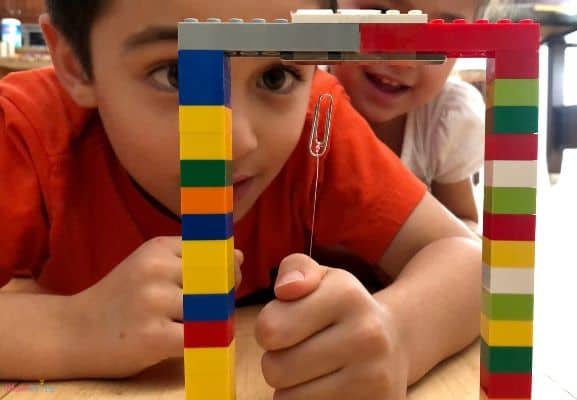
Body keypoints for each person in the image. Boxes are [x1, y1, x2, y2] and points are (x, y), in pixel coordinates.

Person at [0, 1, 480, 399]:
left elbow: (470, 262)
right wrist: (76, 329)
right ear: (74, 63)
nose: (235, 139)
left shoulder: (319, 124)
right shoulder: (26, 131)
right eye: (177, 75)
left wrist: (399, 334)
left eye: (276, 76)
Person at [332, 0, 490, 230]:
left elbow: (464, 226)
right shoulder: (293, 100)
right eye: (381, 15)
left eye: (439, 33)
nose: (403, 60)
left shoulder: (442, 119)